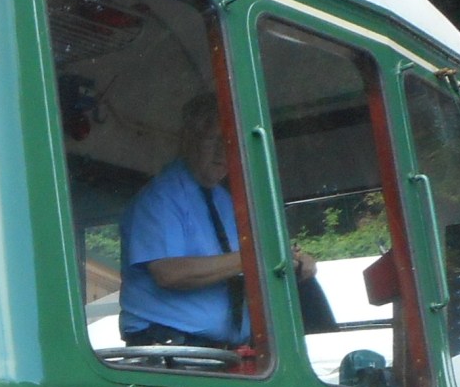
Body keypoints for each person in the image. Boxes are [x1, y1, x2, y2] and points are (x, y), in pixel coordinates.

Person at [118, 95, 314, 347]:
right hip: (169, 350)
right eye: (213, 139)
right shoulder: (160, 197)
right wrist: (257, 256)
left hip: (226, 351)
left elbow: (252, 260)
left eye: (230, 141)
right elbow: (169, 273)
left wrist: (295, 262)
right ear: (188, 140)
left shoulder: (227, 201)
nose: (223, 151)